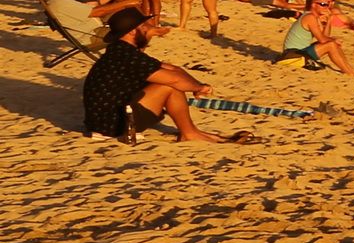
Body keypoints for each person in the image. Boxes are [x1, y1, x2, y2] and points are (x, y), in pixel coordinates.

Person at [82, 8, 243, 144]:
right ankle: (189, 133)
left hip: (104, 119)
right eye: (144, 26)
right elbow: (174, 79)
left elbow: (173, 69)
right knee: (169, 86)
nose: (149, 28)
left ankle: (191, 131)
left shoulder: (121, 49)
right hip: (111, 124)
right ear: (132, 31)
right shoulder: (126, 55)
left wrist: (197, 85)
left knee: (172, 81)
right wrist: (200, 88)